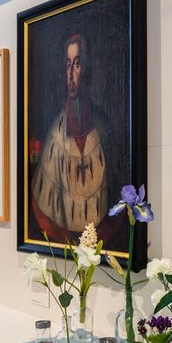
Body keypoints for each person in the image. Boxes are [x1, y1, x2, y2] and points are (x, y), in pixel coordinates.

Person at [31, 34, 109, 242]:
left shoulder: (102, 126)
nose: (71, 75)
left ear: (87, 69)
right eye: (68, 66)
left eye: (77, 64)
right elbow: (42, 207)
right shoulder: (55, 131)